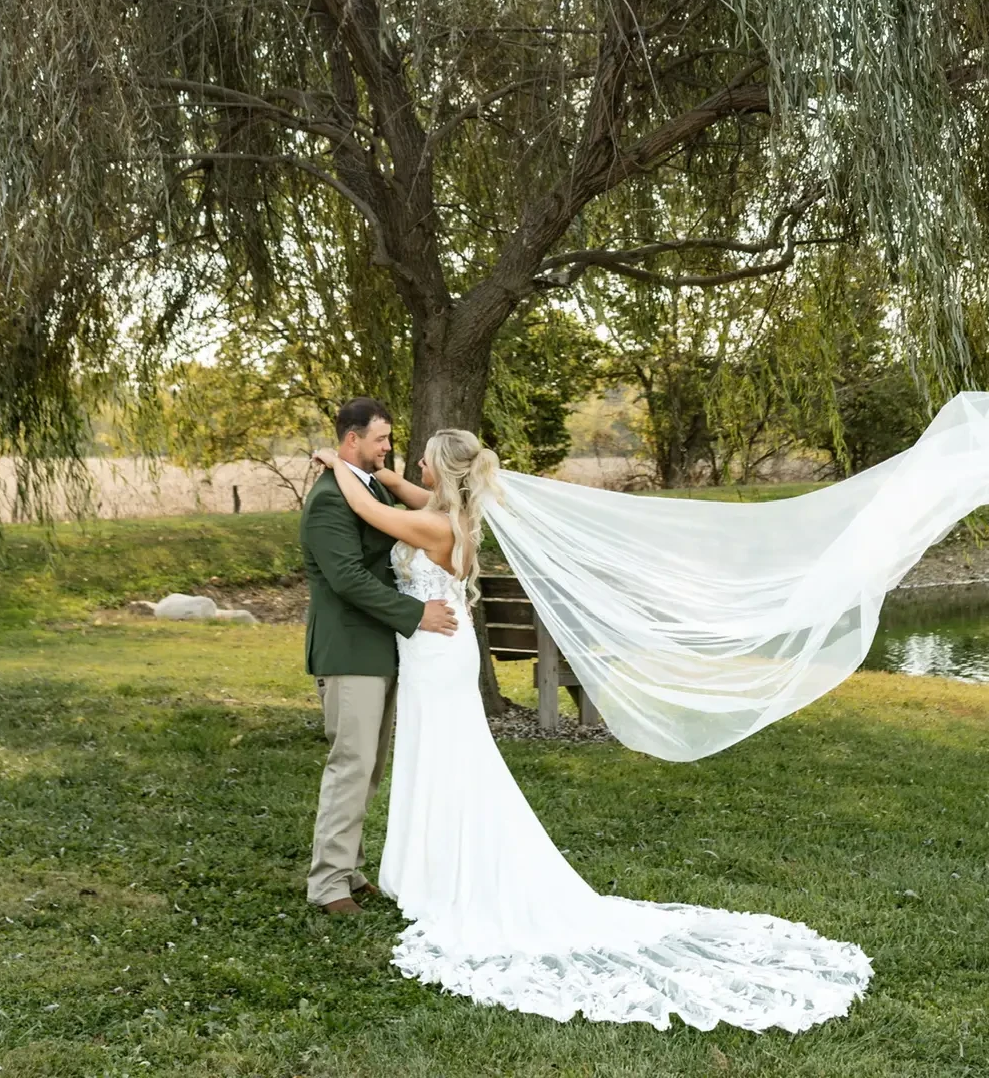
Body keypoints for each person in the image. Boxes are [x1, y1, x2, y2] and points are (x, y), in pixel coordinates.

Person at [309, 425, 873, 1033]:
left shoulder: (436, 525)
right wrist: (382, 474)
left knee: (448, 760)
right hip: (436, 655)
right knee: (439, 758)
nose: (408, 461)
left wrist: (333, 462)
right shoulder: (454, 513)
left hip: (436, 656)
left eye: (419, 458)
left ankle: (445, 870)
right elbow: (395, 491)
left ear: (441, 472)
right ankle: (426, 864)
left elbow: (368, 507)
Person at [300, 398, 456, 915]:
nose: (389, 448)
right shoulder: (328, 498)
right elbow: (347, 578)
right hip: (349, 650)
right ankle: (327, 886)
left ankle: (349, 867)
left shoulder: (365, 483)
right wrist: (415, 615)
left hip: (380, 648)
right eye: (381, 439)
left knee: (368, 767)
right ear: (352, 440)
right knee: (351, 765)